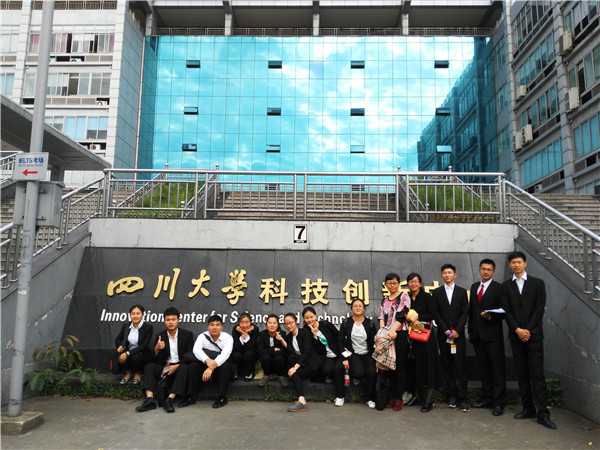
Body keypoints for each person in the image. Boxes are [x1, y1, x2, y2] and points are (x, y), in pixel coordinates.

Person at [500, 251, 556, 430]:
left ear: (525, 263)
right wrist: (517, 330)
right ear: (510, 265)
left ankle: (543, 413)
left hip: (534, 337)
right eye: (513, 263)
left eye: (519, 262)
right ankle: (528, 408)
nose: (516, 265)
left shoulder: (537, 284)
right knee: (522, 374)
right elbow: (506, 310)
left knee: (537, 374)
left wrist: (528, 331)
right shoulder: (506, 286)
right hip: (516, 336)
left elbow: (539, 309)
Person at [135, 307, 194, 413]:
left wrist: (176, 366)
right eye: (168, 320)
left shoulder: (187, 335)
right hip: (165, 366)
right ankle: (150, 400)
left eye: (173, 319)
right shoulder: (160, 336)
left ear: (178, 320)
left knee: (184, 367)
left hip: (179, 366)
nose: (170, 322)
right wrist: (157, 349)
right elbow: (156, 359)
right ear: (164, 321)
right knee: (149, 367)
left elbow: (190, 355)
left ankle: (169, 400)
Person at [468, 259, 506, 416]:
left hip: (492, 335)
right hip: (477, 335)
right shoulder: (474, 287)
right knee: (483, 369)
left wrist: (490, 316)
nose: (485, 272)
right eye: (483, 269)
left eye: (489, 270)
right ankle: (486, 398)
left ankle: (499, 403)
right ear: (479, 270)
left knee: (497, 369)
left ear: (493, 272)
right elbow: (472, 310)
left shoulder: (499, 288)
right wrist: (470, 331)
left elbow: (504, 310)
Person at [431, 263, 470, 412]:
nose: (447, 275)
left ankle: (463, 398)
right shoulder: (437, 292)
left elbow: (464, 312)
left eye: (450, 272)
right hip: (444, 336)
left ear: (455, 275)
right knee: (447, 366)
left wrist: (458, 330)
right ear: (441, 275)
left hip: (457, 337)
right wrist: (445, 329)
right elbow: (436, 313)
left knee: (460, 367)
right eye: (445, 273)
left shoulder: (461, 292)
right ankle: (452, 396)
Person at [377, 272, 412, 411]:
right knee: (389, 367)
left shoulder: (404, 296)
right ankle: (392, 397)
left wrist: (393, 331)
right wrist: (383, 333)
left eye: (395, 283)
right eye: (389, 283)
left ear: (399, 283)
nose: (392, 285)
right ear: (385, 285)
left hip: (400, 334)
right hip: (387, 336)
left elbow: (403, 314)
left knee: (399, 366)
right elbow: (381, 317)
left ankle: (399, 398)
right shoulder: (384, 300)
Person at [335, 299, 377, 408]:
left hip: (368, 354)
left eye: (360, 306)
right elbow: (340, 341)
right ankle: (342, 393)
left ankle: (369, 398)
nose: (357, 308)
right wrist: (344, 356)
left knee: (372, 372)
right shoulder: (346, 322)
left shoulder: (370, 323)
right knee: (359, 373)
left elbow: (375, 340)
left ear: (364, 308)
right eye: (355, 306)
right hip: (353, 353)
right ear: (351, 308)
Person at [405, 273, 438, 413]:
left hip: (425, 337)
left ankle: (428, 401)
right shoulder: (406, 298)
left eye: (416, 281)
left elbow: (433, 314)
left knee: (428, 367)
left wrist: (418, 317)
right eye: (411, 282)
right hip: (412, 337)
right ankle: (417, 397)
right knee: (416, 368)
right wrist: (409, 318)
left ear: (420, 284)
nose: (413, 284)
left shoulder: (427, 297)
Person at [186, 314, 234, 409]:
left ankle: (221, 397)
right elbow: (196, 350)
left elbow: (225, 354)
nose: (214, 327)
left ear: (221, 327)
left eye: (217, 325)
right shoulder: (202, 336)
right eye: (212, 325)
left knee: (226, 367)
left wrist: (211, 368)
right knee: (193, 366)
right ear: (208, 327)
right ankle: (190, 396)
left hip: (219, 368)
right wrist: (207, 360)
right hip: (205, 366)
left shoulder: (228, 338)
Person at [281, 312, 321, 412]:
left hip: (312, 363)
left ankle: (302, 402)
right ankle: (302, 399)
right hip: (302, 363)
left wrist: (295, 367)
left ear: (296, 322)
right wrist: (281, 340)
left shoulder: (305, 332)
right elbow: (291, 352)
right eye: (286, 324)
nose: (289, 325)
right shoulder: (289, 337)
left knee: (294, 373)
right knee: (290, 362)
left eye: (291, 322)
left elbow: (307, 352)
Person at [114, 304, 153, 385]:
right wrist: (120, 346)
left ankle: (137, 373)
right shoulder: (126, 326)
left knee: (135, 357)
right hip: (128, 350)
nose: (135, 316)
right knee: (121, 354)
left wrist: (128, 353)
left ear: (142, 315)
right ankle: (128, 373)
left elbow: (144, 346)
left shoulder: (148, 327)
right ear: (130, 315)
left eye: (138, 313)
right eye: (133, 314)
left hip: (142, 352)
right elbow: (117, 339)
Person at [302, 306, 340, 386]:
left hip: (337, 352)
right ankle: (330, 375)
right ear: (304, 319)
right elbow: (317, 350)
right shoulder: (306, 331)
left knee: (339, 368)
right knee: (326, 370)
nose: (309, 320)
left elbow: (339, 336)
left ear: (315, 316)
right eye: (307, 318)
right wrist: (315, 336)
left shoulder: (325, 324)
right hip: (326, 357)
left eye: (311, 317)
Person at [257, 314, 288, 387]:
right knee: (265, 357)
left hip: (279, 363)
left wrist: (269, 351)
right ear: (266, 324)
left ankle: (281, 376)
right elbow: (259, 350)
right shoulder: (262, 334)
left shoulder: (282, 334)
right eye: (270, 323)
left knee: (279, 357)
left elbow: (284, 351)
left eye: (274, 323)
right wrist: (273, 349)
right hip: (267, 364)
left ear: (278, 325)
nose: (272, 325)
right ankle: (266, 375)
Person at [230, 313, 259, 381]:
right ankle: (235, 372)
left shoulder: (255, 329)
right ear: (238, 323)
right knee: (236, 355)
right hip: (239, 351)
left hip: (250, 352)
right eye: (242, 322)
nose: (244, 325)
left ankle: (248, 373)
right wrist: (242, 334)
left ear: (250, 322)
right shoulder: (235, 329)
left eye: (247, 322)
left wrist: (246, 334)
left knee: (249, 354)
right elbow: (237, 347)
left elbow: (251, 346)